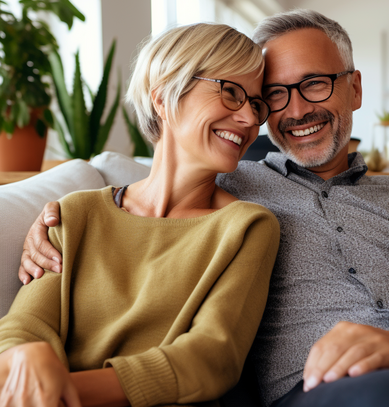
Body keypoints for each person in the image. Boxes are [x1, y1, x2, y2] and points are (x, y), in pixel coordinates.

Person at [17, 9, 389, 407]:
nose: (293, 111)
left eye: (313, 83)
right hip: (329, 387)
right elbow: (157, 189)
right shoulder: (230, 188)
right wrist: (51, 218)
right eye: (272, 95)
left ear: (354, 88)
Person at [0, 23, 280, 407]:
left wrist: (61, 393)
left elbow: (211, 358)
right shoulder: (75, 213)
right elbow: (25, 325)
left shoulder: (247, 226)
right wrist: (22, 357)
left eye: (256, 104)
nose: (249, 119)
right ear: (164, 96)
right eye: (231, 92)